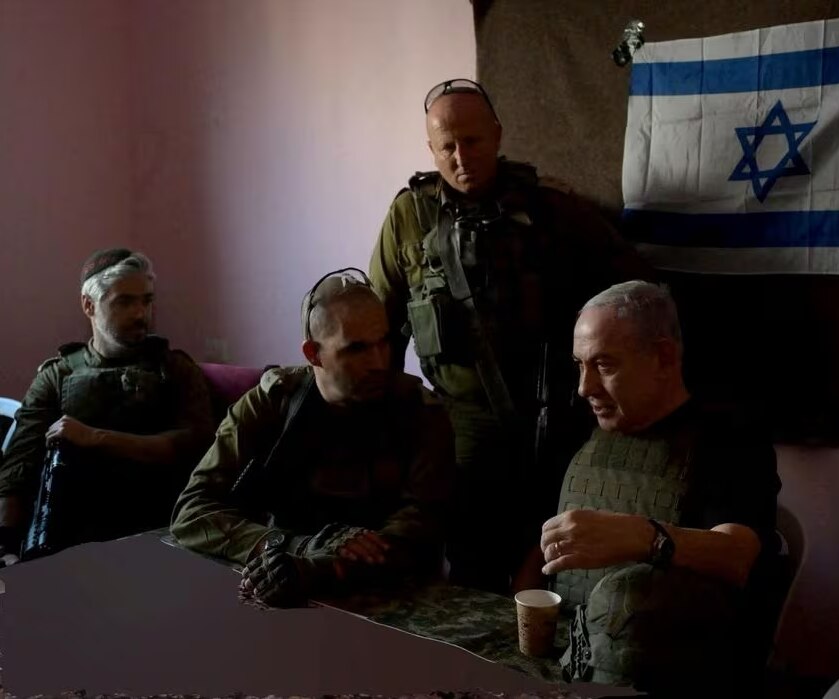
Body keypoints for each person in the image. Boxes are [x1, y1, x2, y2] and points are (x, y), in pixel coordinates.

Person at [369, 78, 655, 593]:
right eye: (447, 146)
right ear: (431, 149)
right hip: (460, 422)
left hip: (552, 414)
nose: (461, 158)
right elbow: (381, 328)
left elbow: (633, 295)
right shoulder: (409, 217)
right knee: (471, 561)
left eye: (473, 141)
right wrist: (385, 427)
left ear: (497, 135)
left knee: (552, 561)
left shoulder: (552, 209)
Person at [521, 281, 781, 694]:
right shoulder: (577, 433)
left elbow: (738, 555)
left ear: (663, 357)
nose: (585, 387)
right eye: (580, 365)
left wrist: (645, 537)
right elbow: (542, 543)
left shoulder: (729, 440)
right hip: (562, 653)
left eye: (604, 365)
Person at [170, 269, 455, 608]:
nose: (379, 362)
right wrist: (292, 547)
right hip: (282, 577)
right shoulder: (272, 403)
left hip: (388, 590)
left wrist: (317, 567)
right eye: (357, 349)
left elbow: (419, 531)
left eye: (384, 342)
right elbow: (190, 512)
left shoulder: (419, 411)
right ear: (313, 353)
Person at [0, 248, 214, 564]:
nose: (141, 313)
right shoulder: (57, 376)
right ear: (89, 305)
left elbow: (195, 446)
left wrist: (96, 437)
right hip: (72, 539)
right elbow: (18, 467)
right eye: (124, 302)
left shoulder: (176, 370)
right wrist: (5, 545)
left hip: (158, 531)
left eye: (147, 300)